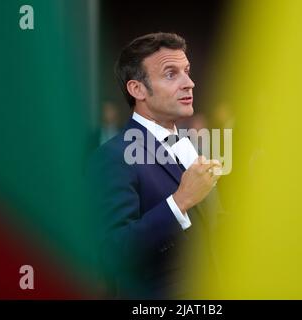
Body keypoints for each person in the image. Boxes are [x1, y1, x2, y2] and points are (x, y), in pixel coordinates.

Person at [89, 32, 223, 299]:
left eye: (187, 71)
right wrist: (179, 202)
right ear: (137, 89)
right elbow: (111, 254)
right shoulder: (113, 156)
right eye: (171, 74)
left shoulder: (190, 147)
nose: (190, 83)